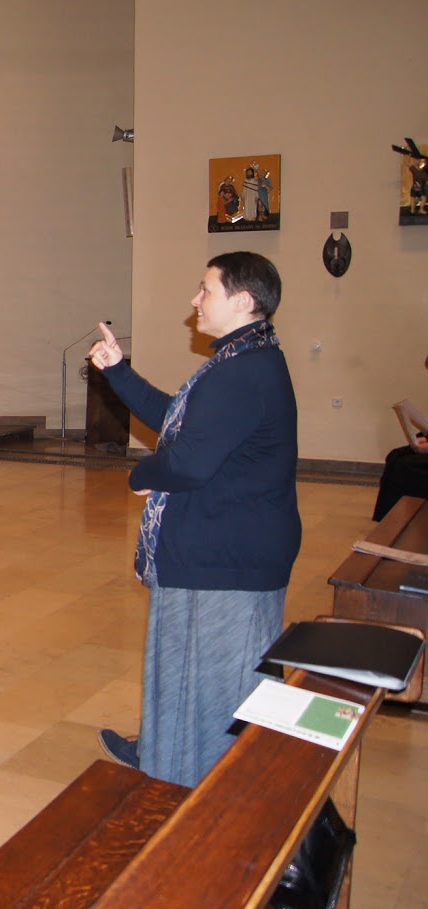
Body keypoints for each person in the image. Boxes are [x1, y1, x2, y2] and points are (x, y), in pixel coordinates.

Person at [89, 251, 300, 788]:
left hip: (228, 556)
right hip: (220, 549)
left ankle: (218, 789)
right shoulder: (245, 359)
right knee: (187, 668)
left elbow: (187, 462)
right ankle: (164, 755)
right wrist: (118, 371)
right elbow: (177, 421)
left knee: (220, 684)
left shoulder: (243, 371)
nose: (195, 299)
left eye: (206, 289)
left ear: (243, 301)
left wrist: (141, 475)